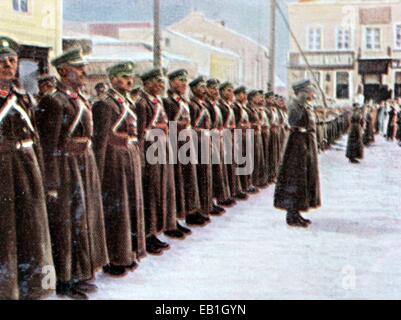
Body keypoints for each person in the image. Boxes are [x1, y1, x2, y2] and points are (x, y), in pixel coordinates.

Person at [36, 49, 109, 300]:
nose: (84, 72)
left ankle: (81, 272)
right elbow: (48, 146)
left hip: (83, 163)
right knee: (67, 223)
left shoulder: (80, 99)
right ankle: (65, 279)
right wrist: (52, 182)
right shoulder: (53, 101)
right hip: (66, 166)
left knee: (84, 219)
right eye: (79, 68)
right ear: (64, 71)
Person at [0, 36, 54, 300]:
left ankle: (31, 287)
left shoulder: (24, 97)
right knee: (6, 231)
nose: (7, 66)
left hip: (27, 167)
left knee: (30, 228)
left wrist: (42, 175)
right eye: (1, 62)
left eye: (11, 61)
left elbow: (38, 141)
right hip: (3, 170)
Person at [92, 62, 146, 277]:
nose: (129, 81)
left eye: (131, 77)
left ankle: (129, 252)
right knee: (117, 209)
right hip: (114, 159)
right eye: (124, 77)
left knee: (131, 206)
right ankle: (115, 257)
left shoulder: (128, 102)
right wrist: (99, 170)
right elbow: (101, 141)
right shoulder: (105, 104)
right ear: (113, 79)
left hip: (129, 155)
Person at [136, 68, 180, 255]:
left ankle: (155, 231)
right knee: (151, 193)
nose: (161, 85)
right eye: (157, 82)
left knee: (160, 191)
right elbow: (140, 134)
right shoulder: (142, 103)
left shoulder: (157, 102)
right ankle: (148, 234)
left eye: (162, 82)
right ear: (146, 84)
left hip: (160, 149)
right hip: (150, 152)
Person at [163, 69, 209, 228]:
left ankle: (190, 211)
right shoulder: (168, 102)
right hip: (176, 144)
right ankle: (175, 218)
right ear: (171, 82)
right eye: (180, 80)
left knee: (189, 179)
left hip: (187, 143)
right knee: (177, 180)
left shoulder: (183, 102)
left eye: (185, 81)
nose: (183, 84)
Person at [274, 80, 321, 228]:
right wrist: (303, 103)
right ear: (302, 92)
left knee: (303, 180)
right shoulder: (294, 105)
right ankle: (291, 214)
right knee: (294, 179)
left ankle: (297, 212)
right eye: (309, 91)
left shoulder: (304, 105)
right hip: (296, 146)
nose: (311, 94)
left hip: (304, 144)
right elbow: (294, 121)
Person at [189, 76, 224, 217]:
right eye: (202, 87)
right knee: (200, 176)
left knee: (208, 175)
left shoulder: (203, 105)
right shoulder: (193, 105)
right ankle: (199, 209)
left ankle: (208, 204)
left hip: (206, 141)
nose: (205, 90)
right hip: (196, 144)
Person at [205, 79, 235, 208]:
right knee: (212, 172)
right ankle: (211, 201)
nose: (215, 91)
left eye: (217, 89)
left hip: (220, 139)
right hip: (210, 140)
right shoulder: (208, 105)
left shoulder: (216, 105)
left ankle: (220, 197)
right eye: (213, 88)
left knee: (220, 170)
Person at [219, 81, 248, 201]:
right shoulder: (225, 106)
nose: (230, 93)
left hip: (232, 137)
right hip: (224, 137)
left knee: (233, 165)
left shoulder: (230, 106)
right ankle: (228, 193)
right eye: (228, 90)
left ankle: (235, 190)